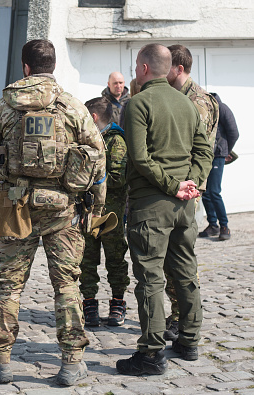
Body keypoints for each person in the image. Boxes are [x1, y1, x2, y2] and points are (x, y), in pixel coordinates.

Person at [0, 39, 106, 386]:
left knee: (8, 286)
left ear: (26, 67)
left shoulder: (5, 106)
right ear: (52, 66)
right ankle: (71, 362)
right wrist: (97, 205)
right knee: (66, 285)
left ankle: (1, 360)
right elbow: (97, 154)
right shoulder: (72, 106)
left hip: (14, 207)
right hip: (62, 210)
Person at [116, 44, 213, 376]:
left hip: (151, 205)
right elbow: (205, 149)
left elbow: (140, 158)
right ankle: (188, 340)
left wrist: (174, 185)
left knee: (150, 279)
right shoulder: (186, 102)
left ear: (144, 69)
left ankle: (151, 352)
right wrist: (193, 182)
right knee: (185, 271)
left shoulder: (138, 103)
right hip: (185, 204)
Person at [163, 44, 219, 341]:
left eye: (166, 67)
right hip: (171, 188)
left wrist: (190, 186)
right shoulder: (173, 96)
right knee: (171, 258)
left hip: (185, 190)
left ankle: (183, 319)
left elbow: (198, 150)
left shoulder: (197, 101)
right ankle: (179, 315)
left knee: (181, 259)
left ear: (179, 69)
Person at [80, 97, 129, 327]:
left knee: (115, 258)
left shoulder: (116, 141)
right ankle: (89, 303)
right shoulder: (87, 140)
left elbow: (118, 179)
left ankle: (117, 302)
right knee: (87, 259)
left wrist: (91, 178)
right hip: (90, 212)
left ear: (93, 117)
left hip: (111, 214)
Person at [199, 93, 239, 241]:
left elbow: (234, 132)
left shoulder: (221, 107)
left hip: (218, 155)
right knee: (205, 192)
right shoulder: (203, 109)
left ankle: (224, 226)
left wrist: (226, 151)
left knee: (214, 191)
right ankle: (213, 225)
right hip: (204, 156)